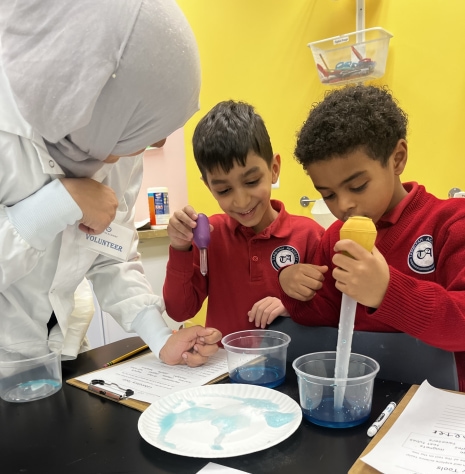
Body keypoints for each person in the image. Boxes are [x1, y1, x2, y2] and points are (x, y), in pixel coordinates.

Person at [0, 0, 222, 366]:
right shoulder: (11, 135)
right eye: (142, 131)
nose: (154, 146)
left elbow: (111, 255)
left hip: (61, 352)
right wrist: (57, 204)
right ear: (91, 90)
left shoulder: (109, 139)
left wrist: (160, 336)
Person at [278, 84, 465, 391]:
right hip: (364, 394)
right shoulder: (334, 239)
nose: (343, 205)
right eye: (328, 195)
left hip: (439, 407)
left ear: (397, 159)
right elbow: (323, 316)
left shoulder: (451, 223)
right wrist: (292, 286)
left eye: (358, 185)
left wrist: (387, 291)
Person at [163, 100, 324, 338]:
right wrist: (180, 248)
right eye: (224, 191)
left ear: (274, 169)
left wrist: (293, 306)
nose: (241, 201)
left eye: (251, 182)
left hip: (286, 367)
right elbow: (179, 310)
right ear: (208, 186)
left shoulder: (309, 235)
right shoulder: (210, 236)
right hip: (225, 368)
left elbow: (332, 310)